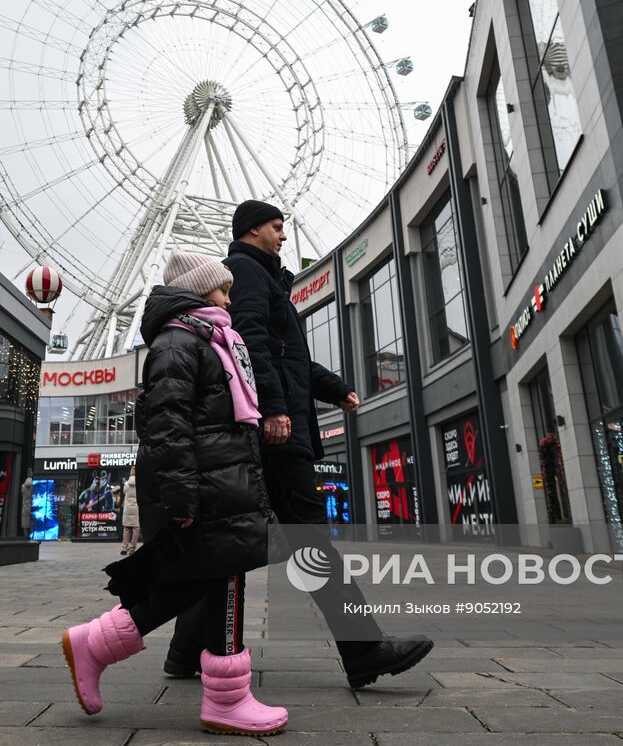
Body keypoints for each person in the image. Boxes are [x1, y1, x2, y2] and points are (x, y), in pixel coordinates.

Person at [164, 199, 434, 689]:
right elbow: (250, 343)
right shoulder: (247, 272)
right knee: (310, 539)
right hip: (279, 433)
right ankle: (363, 649)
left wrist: (335, 389)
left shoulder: (265, 279)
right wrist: (274, 407)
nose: (283, 235)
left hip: (281, 424)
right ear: (253, 230)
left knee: (231, 543)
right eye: (276, 226)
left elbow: (289, 357)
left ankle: (185, 651)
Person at [62, 250, 288, 736]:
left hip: (222, 481)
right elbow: (167, 427)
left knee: (205, 579)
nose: (229, 300)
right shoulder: (178, 343)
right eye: (223, 290)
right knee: (220, 578)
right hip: (206, 485)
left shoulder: (211, 341)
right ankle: (227, 701)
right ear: (198, 291)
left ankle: (94, 645)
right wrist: (182, 495)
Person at [120, 474, 141, 555]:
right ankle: (132, 549)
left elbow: (124, 492)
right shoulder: (140, 484)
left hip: (128, 509)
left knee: (126, 528)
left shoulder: (126, 484)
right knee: (136, 529)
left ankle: (124, 548)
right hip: (136, 508)